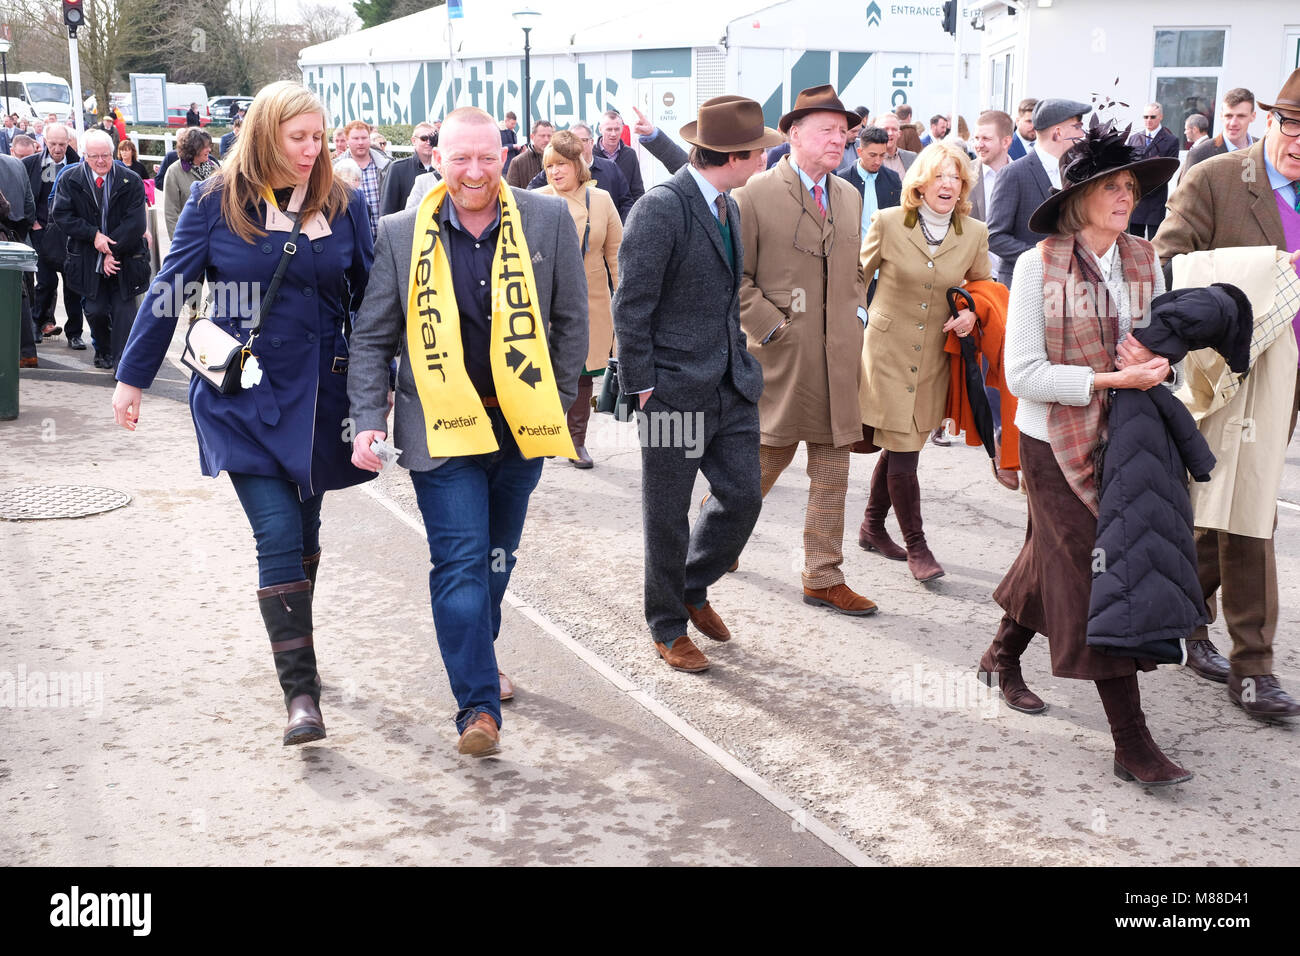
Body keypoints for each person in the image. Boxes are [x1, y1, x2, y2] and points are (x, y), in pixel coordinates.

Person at [112, 81, 374, 747]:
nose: (313, 150)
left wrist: (388, 382)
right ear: (265, 135)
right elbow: (170, 288)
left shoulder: (342, 202)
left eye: (319, 137)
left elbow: (374, 299)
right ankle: (302, 695)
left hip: (319, 399)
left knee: (307, 530)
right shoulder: (215, 200)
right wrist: (132, 377)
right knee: (279, 532)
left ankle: (299, 646)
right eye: (299, 138)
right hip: (242, 396)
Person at [347, 106, 587, 757]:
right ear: (437, 159)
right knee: (459, 561)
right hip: (440, 432)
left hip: (520, 428)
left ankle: (476, 653)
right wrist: (368, 421)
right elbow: (372, 337)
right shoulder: (401, 234)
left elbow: (572, 318)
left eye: (487, 157)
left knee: (495, 559)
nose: (475, 171)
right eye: (461, 158)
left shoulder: (546, 219)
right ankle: (477, 707)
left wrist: (560, 402)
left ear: (506, 153)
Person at [989, 120, 1192, 784]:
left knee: (1051, 555)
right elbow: (1022, 376)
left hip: (1125, 439)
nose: (1125, 195)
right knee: (1092, 571)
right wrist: (1111, 379)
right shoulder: (1037, 264)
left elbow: (1156, 344)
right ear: (1080, 197)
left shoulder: (1143, 258)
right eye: (1112, 185)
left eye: (1132, 185)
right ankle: (1132, 742)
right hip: (1053, 441)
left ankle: (1000, 654)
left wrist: (1160, 366)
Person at [1152, 68, 1300, 719]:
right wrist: (1248, 286)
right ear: (1271, 120)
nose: (1299, 140)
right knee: (1250, 514)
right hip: (1227, 377)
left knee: (1225, 507)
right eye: (1292, 123)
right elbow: (1168, 261)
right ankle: (1254, 668)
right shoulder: (1215, 178)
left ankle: (1185, 618)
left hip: (1291, 381)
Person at [612, 95, 776, 673]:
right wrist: (642, 387)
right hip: (673, 390)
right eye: (760, 151)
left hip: (731, 384)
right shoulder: (662, 208)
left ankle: (691, 584)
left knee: (744, 498)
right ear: (734, 156)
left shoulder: (725, 202)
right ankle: (666, 625)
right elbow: (631, 304)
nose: (766, 159)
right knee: (667, 513)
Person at [732, 85, 875, 614]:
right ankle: (714, 545)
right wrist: (773, 329)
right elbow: (737, 280)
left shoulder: (850, 195)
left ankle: (822, 575)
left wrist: (857, 313)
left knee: (833, 476)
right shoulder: (753, 194)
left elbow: (856, 269)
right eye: (827, 130)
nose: (839, 139)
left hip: (839, 363)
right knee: (757, 472)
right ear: (794, 134)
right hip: (781, 365)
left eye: (844, 131)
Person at [856, 142, 991, 582]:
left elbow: (983, 286)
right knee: (904, 453)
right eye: (939, 176)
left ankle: (872, 527)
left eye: (956, 177)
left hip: (934, 355)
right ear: (920, 183)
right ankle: (918, 546)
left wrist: (972, 311)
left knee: (903, 443)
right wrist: (853, 319)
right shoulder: (889, 222)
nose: (948, 184)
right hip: (886, 350)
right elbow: (855, 277)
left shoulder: (974, 232)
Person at [537, 129, 622, 469]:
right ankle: (545, 433)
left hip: (592, 300)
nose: (555, 172)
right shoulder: (538, 199)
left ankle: (576, 442)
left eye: (561, 164)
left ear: (577, 164)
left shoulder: (601, 200)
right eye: (549, 166)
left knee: (584, 374)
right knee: (548, 371)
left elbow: (616, 256)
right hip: (547, 301)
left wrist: (626, 302)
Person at [51, 129, 149, 370]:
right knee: (95, 311)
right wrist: (93, 235)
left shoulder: (130, 180)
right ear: (85, 155)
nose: (101, 161)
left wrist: (110, 251)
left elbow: (136, 223)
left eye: (105, 155)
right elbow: (61, 215)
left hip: (125, 258)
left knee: (124, 312)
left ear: (112, 152)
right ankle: (103, 349)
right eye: (94, 156)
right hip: (86, 259)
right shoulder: (70, 179)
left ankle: (122, 364)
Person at [987, 98, 1089, 287]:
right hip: (1023, 285)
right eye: (1077, 127)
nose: (1082, 134)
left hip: (1067, 288)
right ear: (1058, 133)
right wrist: (1044, 256)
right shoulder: (1013, 173)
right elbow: (995, 237)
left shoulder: (1077, 173)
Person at [22, 123, 82, 346]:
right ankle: (37, 324)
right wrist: (33, 222)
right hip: (42, 231)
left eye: (62, 144)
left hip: (70, 234)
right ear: (44, 141)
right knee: (45, 282)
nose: (58, 148)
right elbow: (25, 194)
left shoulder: (79, 165)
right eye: (53, 143)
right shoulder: (30, 164)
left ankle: (74, 333)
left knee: (73, 285)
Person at [526, 122, 632, 220]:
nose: (578, 145)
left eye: (583, 140)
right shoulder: (554, 172)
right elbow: (530, 195)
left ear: (591, 142)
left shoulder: (610, 168)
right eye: (573, 141)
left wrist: (622, 230)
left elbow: (626, 203)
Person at [0, 150, 37, 367]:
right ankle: (27, 352)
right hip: (14, 238)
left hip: (6, 237)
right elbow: (29, 206)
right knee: (19, 294)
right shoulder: (16, 164)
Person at [1125, 104, 1180, 239]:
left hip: (1157, 196)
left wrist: (1150, 185)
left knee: (1154, 240)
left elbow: (1169, 169)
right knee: (1134, 239)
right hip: (1138, 196)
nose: (1148, 120)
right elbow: (1128, 165)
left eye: (1152, 117)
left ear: (1160, 117)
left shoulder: (1171, 140)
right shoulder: (1134, 138)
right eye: (1145, 117)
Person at [332, 120, 390, 240]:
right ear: (347, 140)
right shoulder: (336, 169)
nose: (360, 142)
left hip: (383, 238)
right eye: (355, 138)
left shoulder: (386, 165)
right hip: (351, 239)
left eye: (364, 138)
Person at [163, 127, 219, 239]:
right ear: (194, 148)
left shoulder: (214, 168)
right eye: (205, 147)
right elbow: (171, 212)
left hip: (215, 236)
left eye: (209, 146)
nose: (209, 150)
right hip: (189, 236)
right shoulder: (174, 172)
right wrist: (177, 241)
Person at [1183, 88, 1256, 171]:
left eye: (1241, 116)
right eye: (1228, 116)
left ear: (1253, 116)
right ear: (1221, 116)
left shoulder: (1264, 150)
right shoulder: (1199, 154)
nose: (1233, 123)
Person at [379, 121, 437, 217]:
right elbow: (387, 209)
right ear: (414, 141)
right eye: (424, 138)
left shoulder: (444, 170)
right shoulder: (397, 168)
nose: (429, 142)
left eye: (433, 139)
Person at [593, 110, 645, 207]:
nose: (613, 134)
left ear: (622, 129)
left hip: (624, 214)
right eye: (609, 129)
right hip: (598, 213)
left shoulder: (630, 155)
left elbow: (638, 191)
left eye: (617, 129)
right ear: (600, 129)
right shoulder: (591, 154)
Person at [504, 119, 553, 189]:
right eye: (542, 136)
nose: (546, 140)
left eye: (549, 136)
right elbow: (512, 193)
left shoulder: (559, 160)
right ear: (532, 137)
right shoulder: (518, 162)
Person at [878, 113, 918, 178]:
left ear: (899, 133)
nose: (890, 133)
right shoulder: (870, 160)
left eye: (894, 129)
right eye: (885, 129)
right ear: (877, 132)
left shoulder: (911, 158)